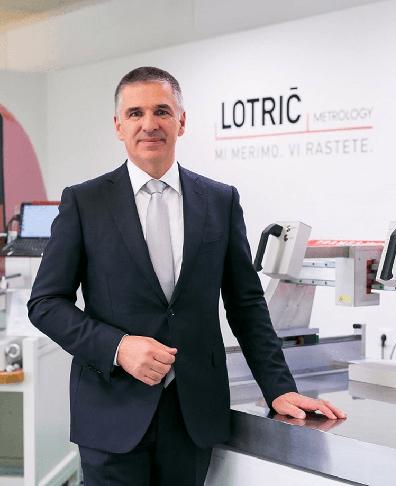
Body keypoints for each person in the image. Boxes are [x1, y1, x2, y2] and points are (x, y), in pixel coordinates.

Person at [28, 66, 346, 486]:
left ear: (181, 121)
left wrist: (279, 387)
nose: (149, 124)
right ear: (119, 126)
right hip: (111, 412)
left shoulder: (219, 200)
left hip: (193, 414)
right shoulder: (84, 202)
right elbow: (46, 303)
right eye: (136, 113)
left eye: (161, 111)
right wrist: (118, 347)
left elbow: (246, 303)